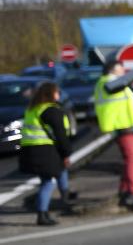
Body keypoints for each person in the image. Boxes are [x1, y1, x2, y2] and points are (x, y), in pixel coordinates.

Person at [93, 59, 133, 210]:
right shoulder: (108, 82)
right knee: (132, 159)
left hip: (126, 125)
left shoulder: (109, 83)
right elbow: (122, 82)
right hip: (122, 125)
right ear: (112, 69)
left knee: (132, 159)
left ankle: (125, 192)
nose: (123, 71)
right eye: (120, 68)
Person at [18, 82, 75, 226]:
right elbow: (61, 136)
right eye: (57, 92)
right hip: (43, 150)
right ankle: (42, 214)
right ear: (51, 94)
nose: (59, 95)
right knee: (48, 181)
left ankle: (65, 196)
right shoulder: (51, 111)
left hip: (30, 149)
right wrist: (67, 153)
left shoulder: (33, 109)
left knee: (57, 171)